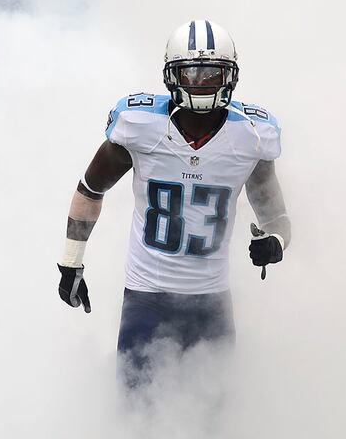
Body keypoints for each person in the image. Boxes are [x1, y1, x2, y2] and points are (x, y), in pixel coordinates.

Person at [56, 19, 291, 389]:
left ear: (230, 75)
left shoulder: (252, 137)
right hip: (146, 298)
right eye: (191, 72)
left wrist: (275, 242)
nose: (201, 82)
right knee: (137, 415)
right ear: (171, 75)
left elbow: (276, 216)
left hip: (211, 302)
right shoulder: (138, 124)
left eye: (211, 72)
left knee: (215, 416)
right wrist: (71, 262)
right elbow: (90, 189)